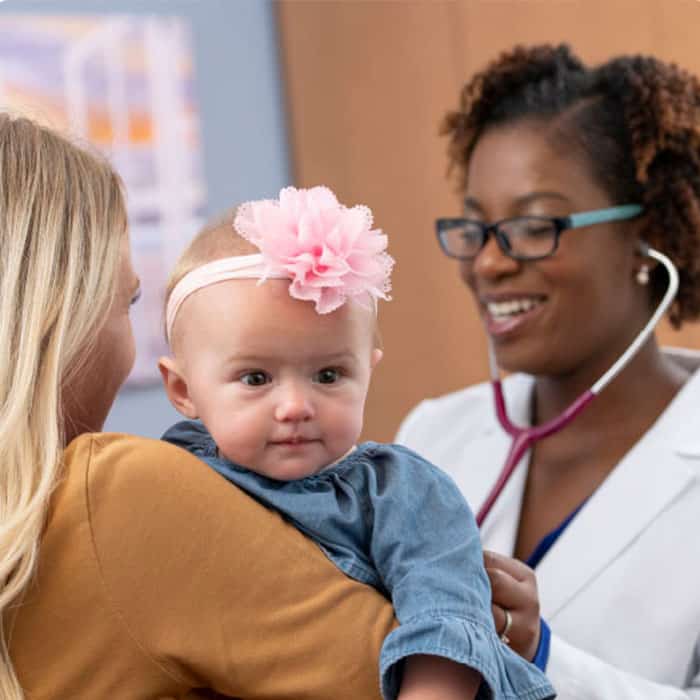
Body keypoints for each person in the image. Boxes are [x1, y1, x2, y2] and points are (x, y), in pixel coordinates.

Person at [0, 113, 479, 700]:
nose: (294, 406)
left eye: (328, 373)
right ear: (56, 320)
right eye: (127, 301)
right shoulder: (118, 494)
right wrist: (501, 631)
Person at [157, 185, 555, 700]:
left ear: (368, 370)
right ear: (184, 390)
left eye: (327, 374)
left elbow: (445, 623)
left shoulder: (402, 494)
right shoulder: (170, 475)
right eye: (256, 379)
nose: (296, 405)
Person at [396, 43, 700, 698]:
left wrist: (541, 655)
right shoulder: (430, 436)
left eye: (533, 226)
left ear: (647, 238)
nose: (488, 264)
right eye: (475, 229)